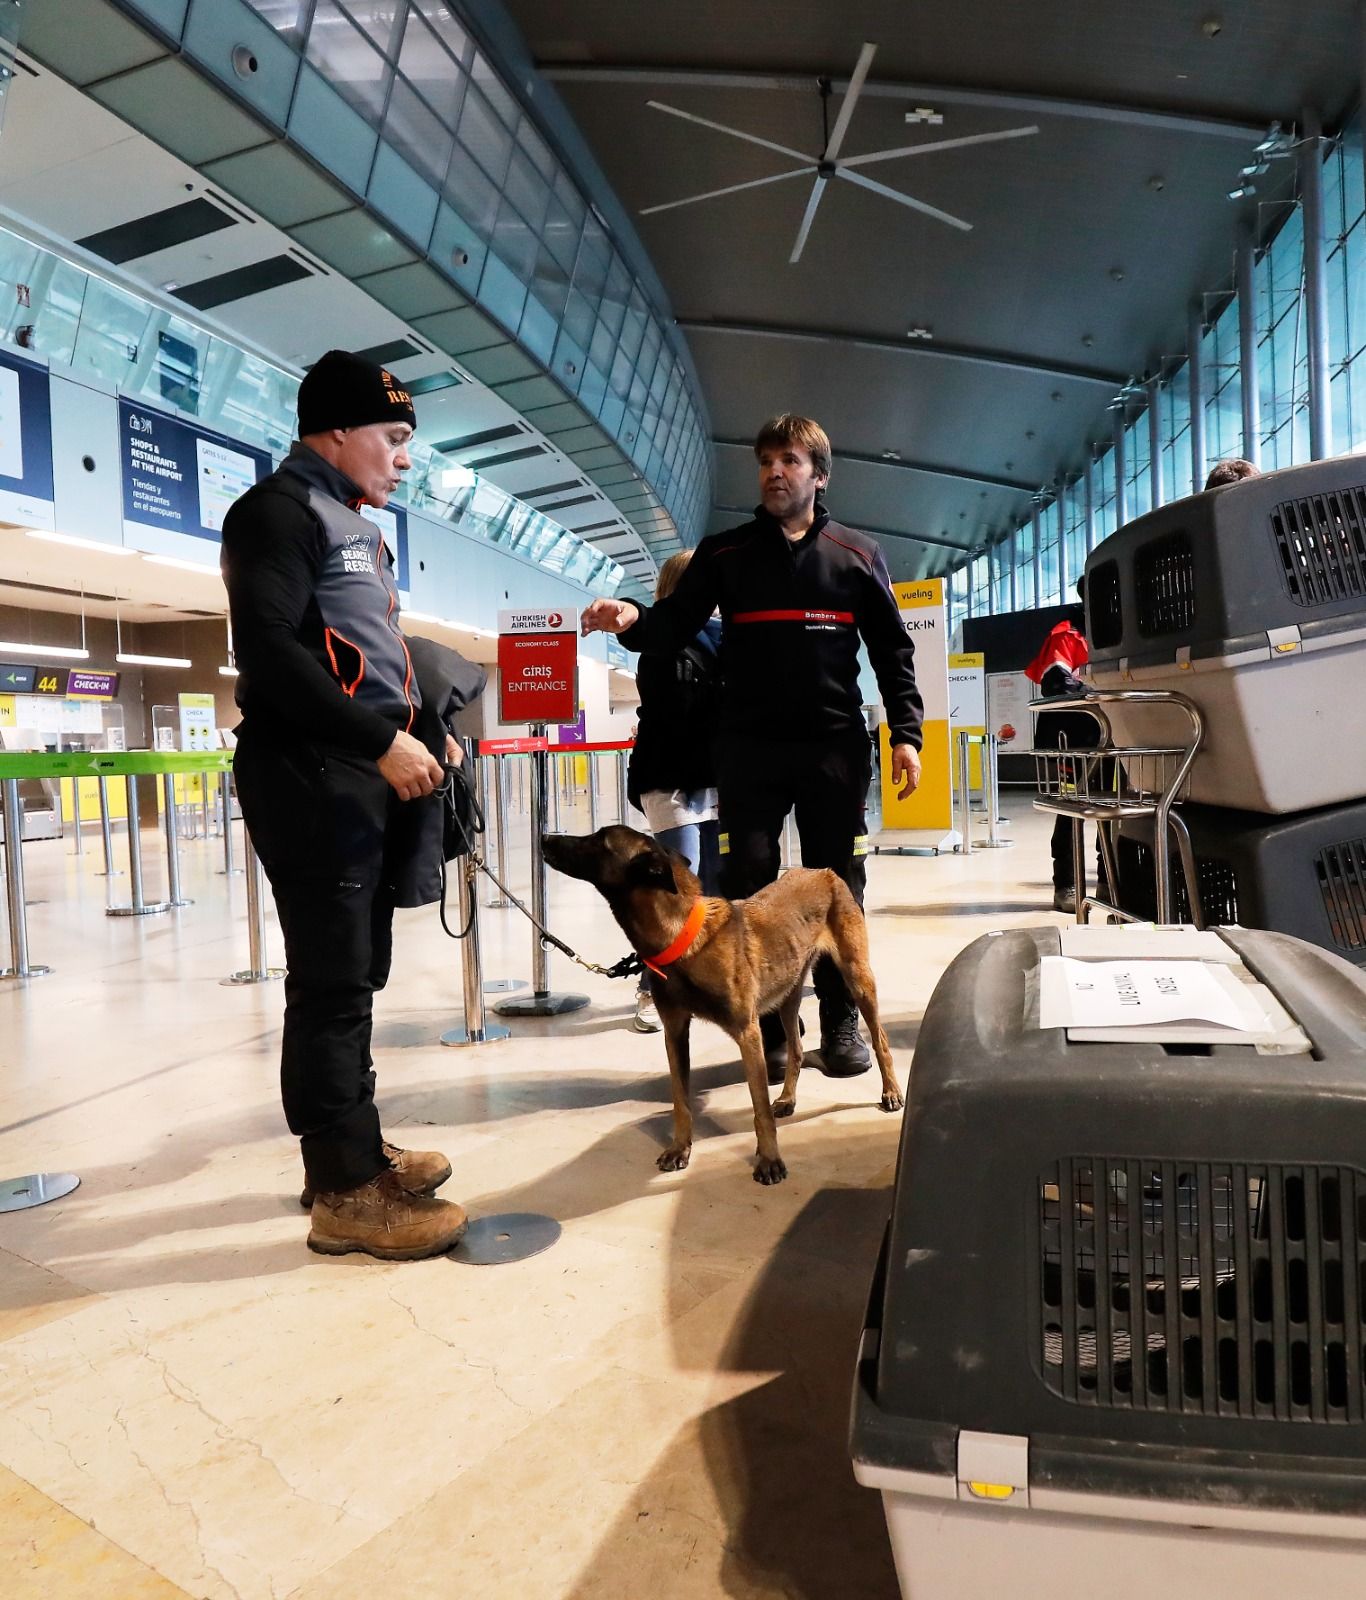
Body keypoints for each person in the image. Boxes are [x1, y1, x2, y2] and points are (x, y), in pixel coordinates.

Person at [221, 349, 474, 1262]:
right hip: (309, 772)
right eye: (394, 438)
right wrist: (377, 741)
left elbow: (366, 649)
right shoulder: (277, 514)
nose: (404, 459)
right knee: (329, 982)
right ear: (336, 430)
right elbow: (273, 654)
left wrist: (420, 727)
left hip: (358, 767)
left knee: (356, 971)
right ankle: (341, 1191)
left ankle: (354, 1150)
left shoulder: (352, 522)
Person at [582, 413, 923, 1079]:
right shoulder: (726, 555)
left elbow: (892, 651)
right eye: (766, 460)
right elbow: (674, 623)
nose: (774, 471)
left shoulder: (857, 556)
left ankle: (839, 1024)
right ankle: (773, 1027)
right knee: (750, 884)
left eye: (790, 461)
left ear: (819, 476)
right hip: (750, 751)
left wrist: (905, 734)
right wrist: (631, 616)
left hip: (834, 749)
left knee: (838, 887)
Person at [626, 549, 723, 1032]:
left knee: (716, 886)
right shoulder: (662, 643)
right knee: (677, 887)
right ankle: (652, 988)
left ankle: (704, 978)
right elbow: (672, 715)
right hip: (672, 781)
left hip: (715, 777)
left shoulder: (728, 640)